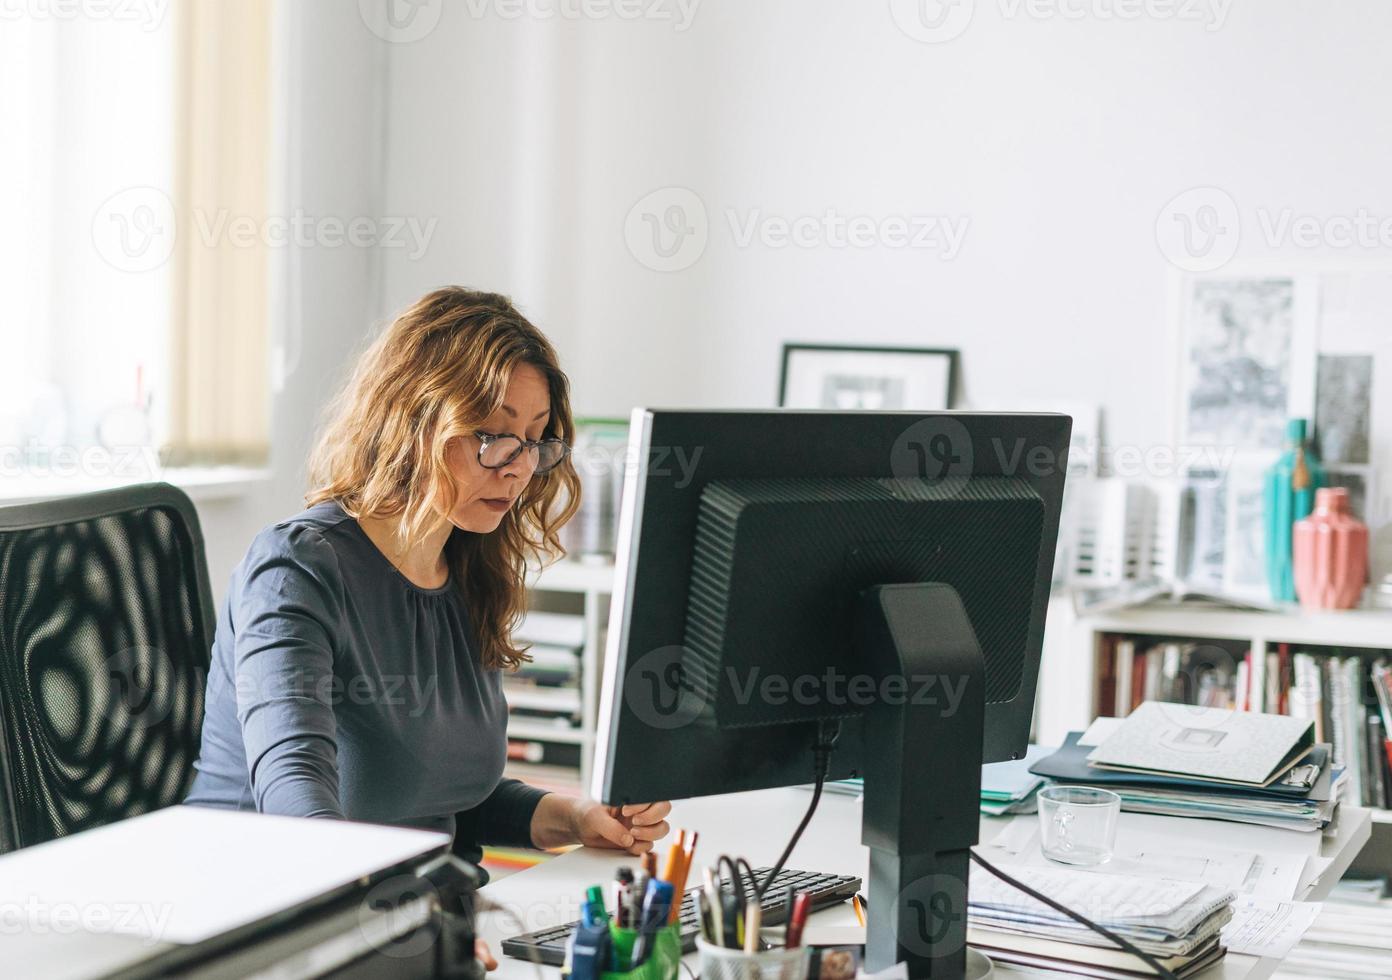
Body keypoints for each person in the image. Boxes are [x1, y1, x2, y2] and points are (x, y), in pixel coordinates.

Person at [187, 287, 671, 969]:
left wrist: (576, 816)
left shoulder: (464, 570)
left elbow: (445, 800)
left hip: (427, 924)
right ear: (413, 420)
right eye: (493, 435)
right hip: (275, 933)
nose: (518, 466)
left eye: (535, 442)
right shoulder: (296, 568)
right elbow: (296, 813)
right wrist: (411, 935)